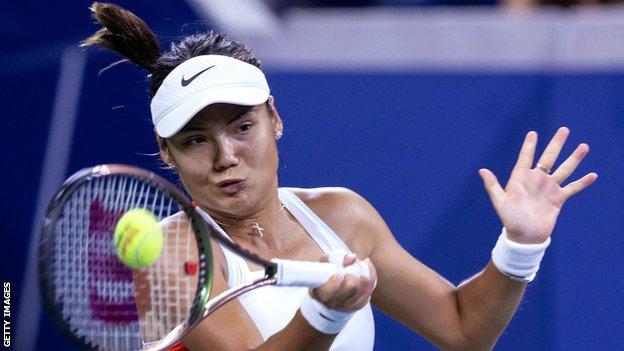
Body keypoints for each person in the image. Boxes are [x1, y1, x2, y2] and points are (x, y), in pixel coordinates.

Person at [81, 3, 597, 350]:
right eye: (196, 140)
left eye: (242, 127)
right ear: (165, 152)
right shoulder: (173, 255)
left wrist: (520, 247)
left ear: (274, 119)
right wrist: (323, 316)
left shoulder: (342, 216)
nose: (225, 157)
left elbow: (463, 329)